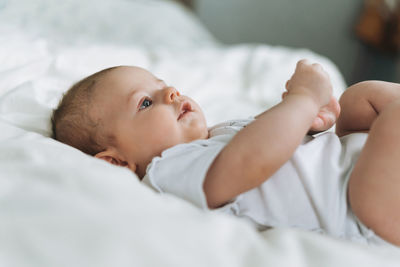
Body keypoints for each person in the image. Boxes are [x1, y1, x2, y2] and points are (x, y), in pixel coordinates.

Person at [51, 60, 400, 247]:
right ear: (116, 161)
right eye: (145, 102)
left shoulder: (215, 134)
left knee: (359, 98)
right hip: (365, 213)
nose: (171, 92)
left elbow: (281, 141)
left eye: (162, 84)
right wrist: (303, 99)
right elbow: (251, 161)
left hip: (360, 167)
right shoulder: (169, 170)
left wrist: (310, 121)